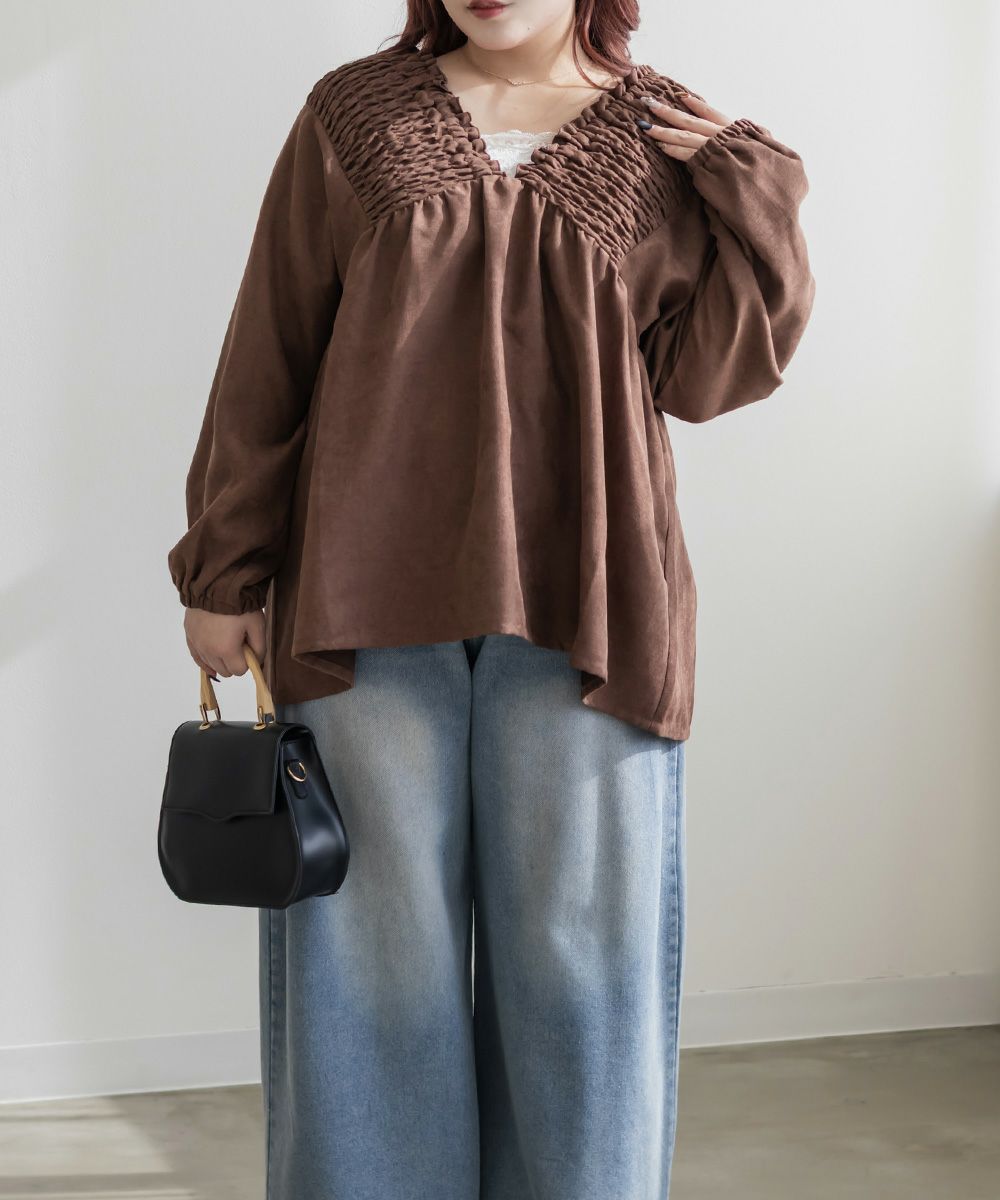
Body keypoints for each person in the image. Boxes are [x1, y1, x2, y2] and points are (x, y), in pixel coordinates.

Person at [166, 1, 815, 1196]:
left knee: (581, 964)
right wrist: (223, 568)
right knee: (369, 961)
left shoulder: (662, 135)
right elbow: (270, 350)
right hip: (360, 599)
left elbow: (704, 380)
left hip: (590, 608)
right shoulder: (353, 117)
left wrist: (759, 200)